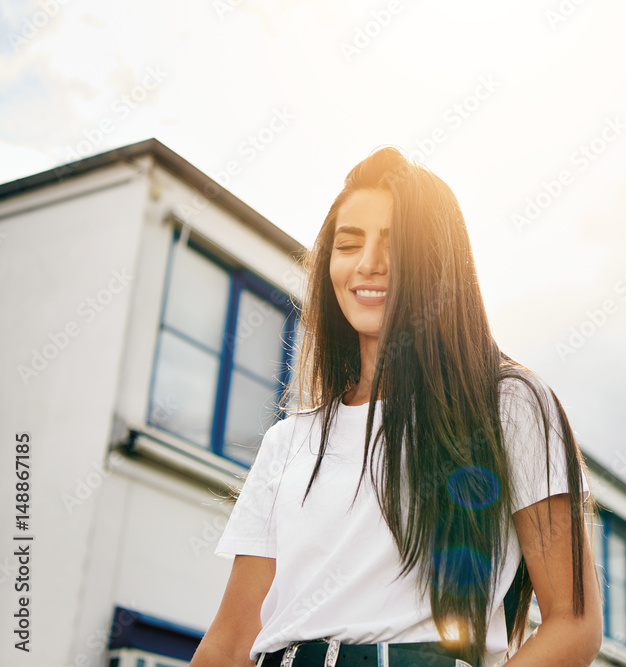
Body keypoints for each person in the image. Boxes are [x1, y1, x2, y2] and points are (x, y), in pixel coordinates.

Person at [190, 146, 603, 667]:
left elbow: (573, 622)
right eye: (348, 244)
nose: (368, 265)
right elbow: (228, 643)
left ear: (437, 260)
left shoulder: (510, 404)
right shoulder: (287, 443)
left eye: (394, 244)